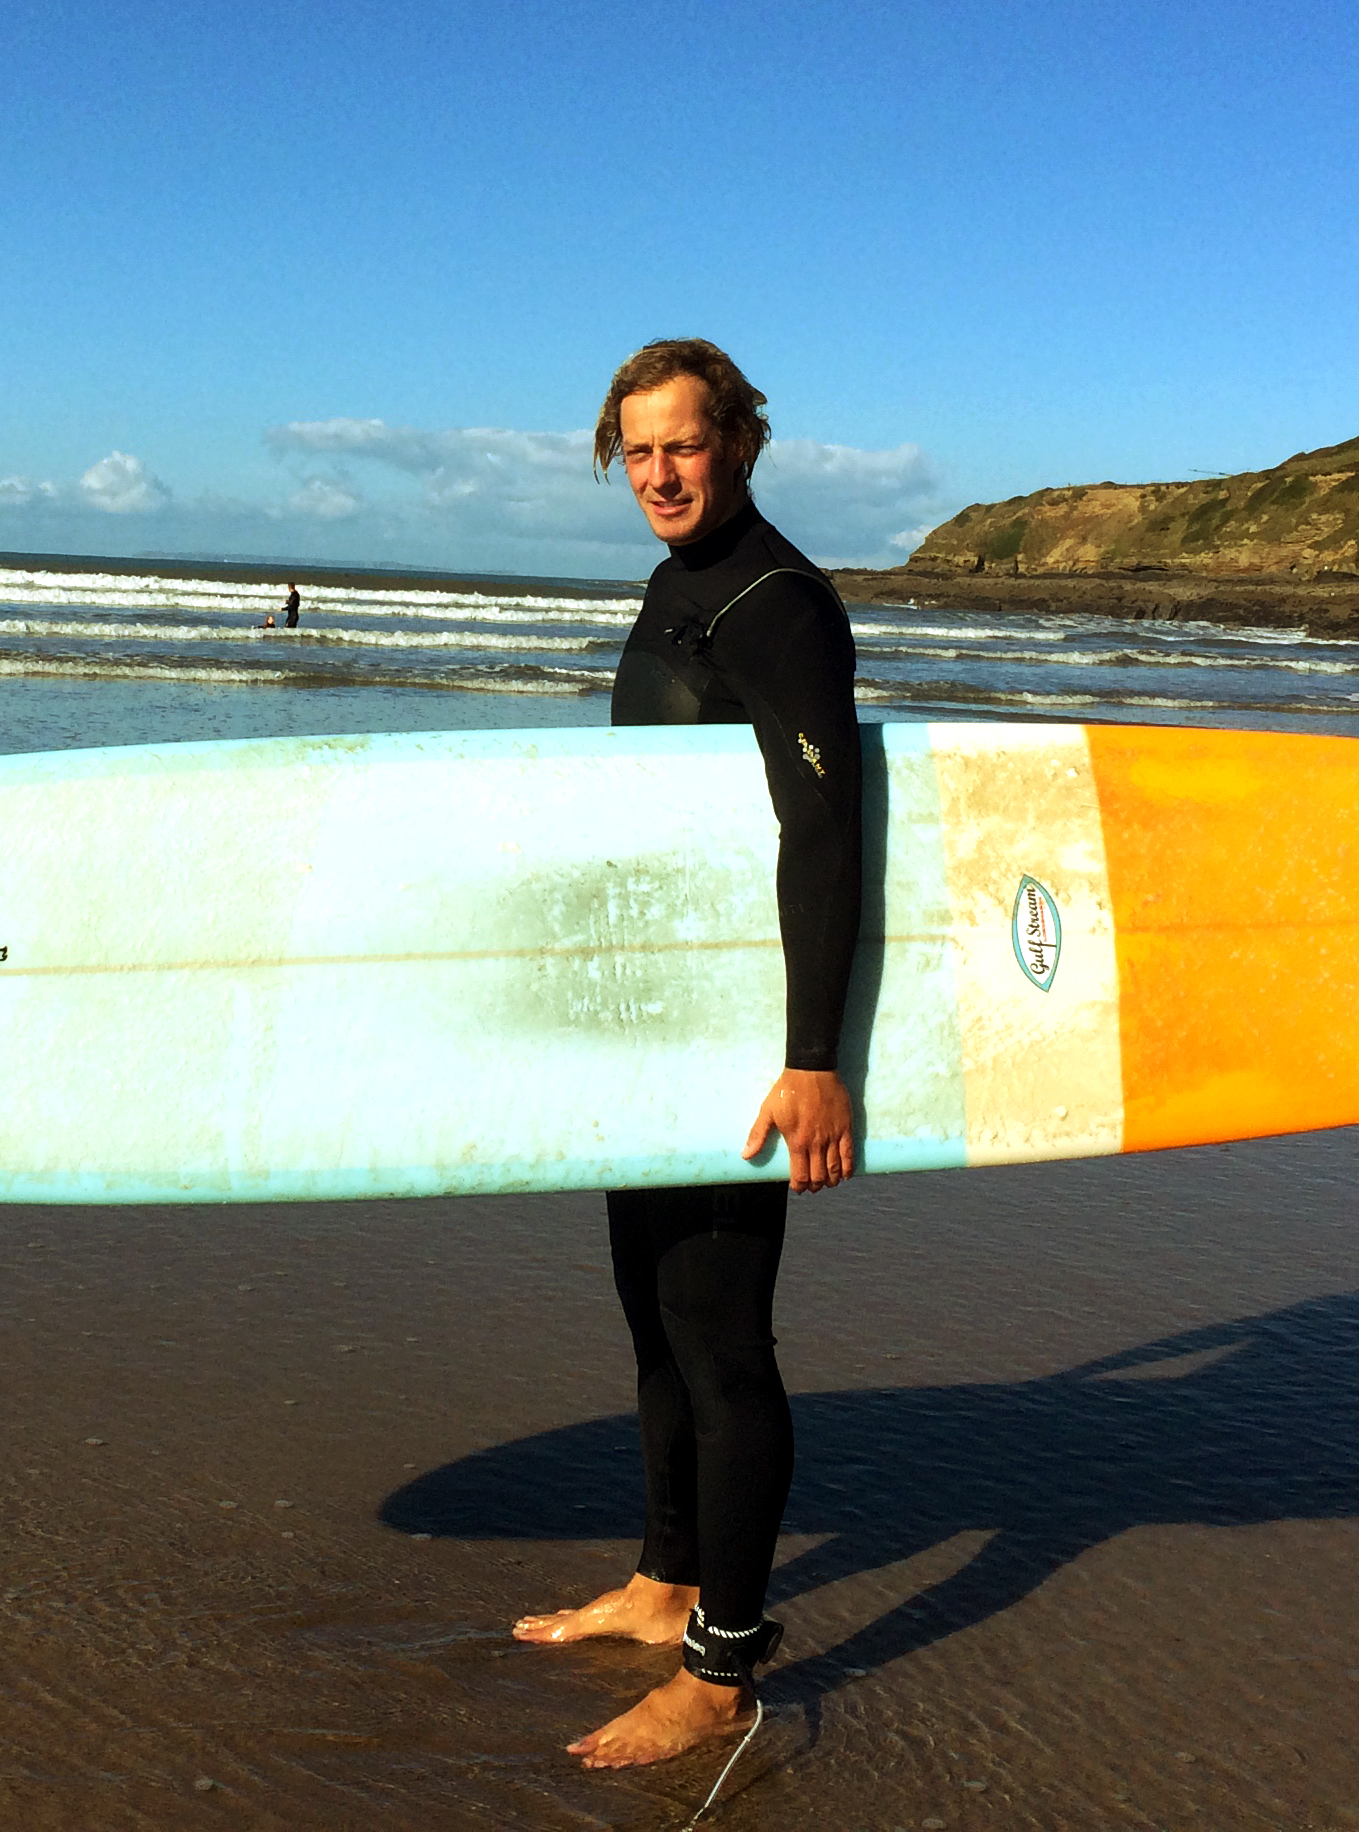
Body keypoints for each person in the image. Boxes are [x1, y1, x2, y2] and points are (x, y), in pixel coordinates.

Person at [510, 339, 862, 1768]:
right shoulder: (675, 586)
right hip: (649, 1023)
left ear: (739, 446)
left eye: (683, 446)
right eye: (635, 451)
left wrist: (811, 1057)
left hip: (738, 1037)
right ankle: (665, 1586)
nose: (658, 474)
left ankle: (721, 1671)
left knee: (722, 1348)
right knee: (650, 1319)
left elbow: (821, 834)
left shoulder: (782, 608)